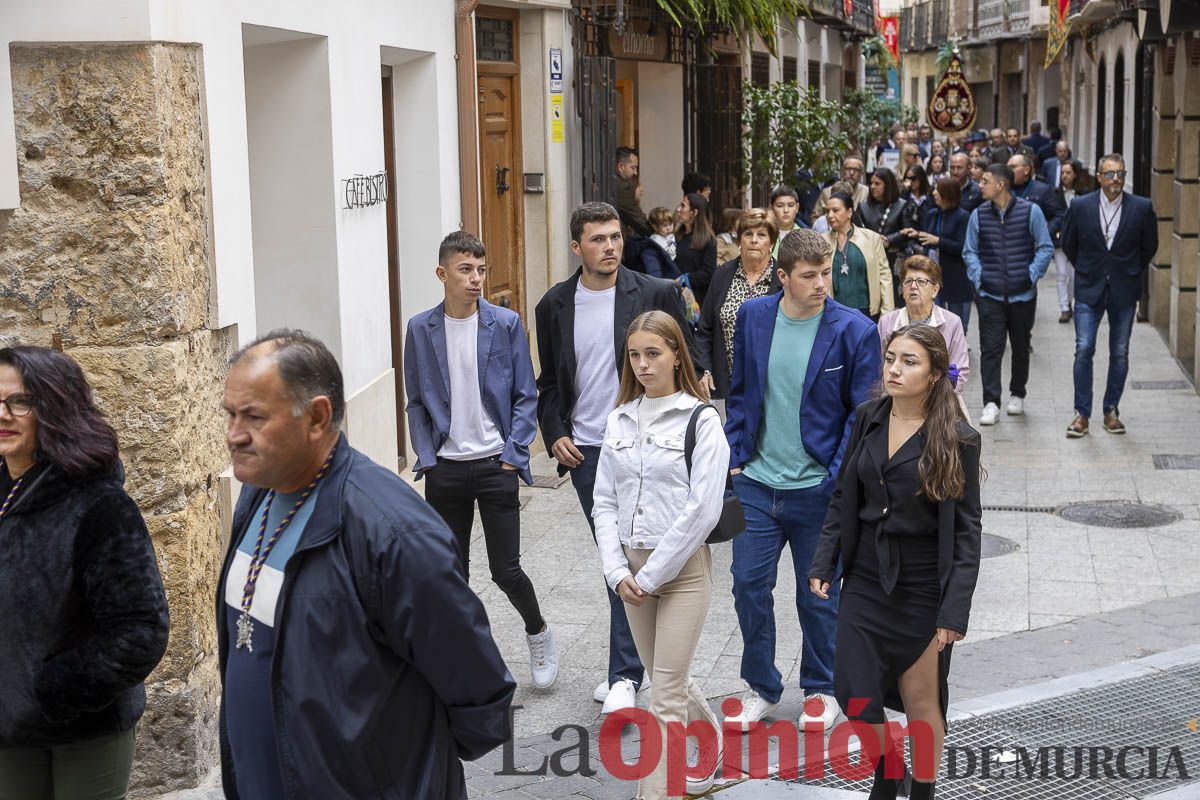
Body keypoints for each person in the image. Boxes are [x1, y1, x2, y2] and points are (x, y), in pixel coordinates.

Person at [219, 330, 515, 798]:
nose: (234, 434)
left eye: (253, 416)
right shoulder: (258, 494)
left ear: (317, 416)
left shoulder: (393, 530)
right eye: (230, 414)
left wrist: (403, 772)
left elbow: (477, 684)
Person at [534, 201, 697, 715]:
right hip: (587, 449)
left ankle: (625, 675)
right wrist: (554, 432)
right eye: (598, 239)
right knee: (618, 557)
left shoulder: (653, 292)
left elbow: (687, 364)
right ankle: (632, 671)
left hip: (645, 443)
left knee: (631, 557)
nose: (610, 247)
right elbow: (550, 385)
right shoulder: (554, 304)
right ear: (577, 246)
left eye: (615, 237)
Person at [809, 324, 982, 800]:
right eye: (890, 358)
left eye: (909, 361)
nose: (894, 369)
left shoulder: (957, 437)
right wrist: (826, 560)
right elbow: (844, 493)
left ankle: (921, 792)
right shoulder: (868, 417)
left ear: (933, 374)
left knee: (921, 701)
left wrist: (954, 611)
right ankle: (889, 772)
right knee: (853, 695)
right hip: (865, 578)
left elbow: (967, 531)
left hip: (923, 587)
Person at [724, 228, 883, 731]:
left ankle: (821, 687)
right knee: (747, 585)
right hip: (756, 482)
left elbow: (863, 417)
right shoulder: (753, 317)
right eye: (809, 276)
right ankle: (762, 686)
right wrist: (734, 456)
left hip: (819, 489)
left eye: (825, 273)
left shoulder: (854, 330)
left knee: (817, 594)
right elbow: (740, 392)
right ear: (782, 277)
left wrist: (835, 482)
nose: (821, 284)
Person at [0, 346, 169, 799]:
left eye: (21, 401)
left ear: (55, 408)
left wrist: (54, 690)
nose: (4, 415)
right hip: (8, 729)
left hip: (83, 730)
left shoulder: (100, 506)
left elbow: (141, 630)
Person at [404, 231, 557, 690]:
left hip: (495, 466)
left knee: (505, 569)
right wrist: (427, 457)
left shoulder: (505, 324)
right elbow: (415, 400)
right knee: (452, 574)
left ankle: (538, 631)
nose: (475, 279)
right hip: (445, 470)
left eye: (481, 269)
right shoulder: (419, 328)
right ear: (442, 273)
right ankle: (466, 661)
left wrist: (514, 455)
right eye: (465, 269)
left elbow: (525, 395)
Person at [593, 310, 729, 799]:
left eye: (654, 353)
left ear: (676, 355)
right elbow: (604, 500)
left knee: (664, 692)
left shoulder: (701, 419)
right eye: (635, 355)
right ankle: (710, 741)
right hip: (631, 572)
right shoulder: (619, 418)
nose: (644, 364)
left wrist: (650, 575)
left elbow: (702, 510)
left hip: (683, 573)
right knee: (663, 676)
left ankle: (655, 794)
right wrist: (615, 570)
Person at [1060, 153, 1159, 438]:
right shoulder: (1080, 206)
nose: (1116, 180)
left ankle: (1111, 410)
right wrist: (1089, 268)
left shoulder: (1141, 208)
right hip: (1089, 287)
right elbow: (1069, 242)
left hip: (1124, 289)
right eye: (1111, 174)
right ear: (1099, 177)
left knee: (1119, 351)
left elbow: (1149, 246)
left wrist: (1129, 270)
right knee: (1084, 348)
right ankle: (1081, 414)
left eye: (1120, 174)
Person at [963, 164, 1054, 426]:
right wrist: (979, 277)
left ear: (1000, 185)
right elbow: (970, 251)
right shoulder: (978, 215)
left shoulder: (1031, 211)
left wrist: (1030, 275)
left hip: (1022, 295)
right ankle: (991, 402)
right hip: (990, 295)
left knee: (1020, 347)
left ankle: (1018, 393)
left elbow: (1045, 247)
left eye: (985, 181)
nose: (980, 185)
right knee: (990, 349)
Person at [696, 208, 782, 400]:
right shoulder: (722, 275)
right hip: (725, 386)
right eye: (748, 233)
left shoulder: (782, 280)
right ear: (739, 240)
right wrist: (705, 371)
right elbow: (704, 330)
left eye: (761, 235)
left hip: (770, 387)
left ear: (772, 242)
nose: (754, 240)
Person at [877, 256, 971, 415]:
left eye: (921, 281)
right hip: (896, 405)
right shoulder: (887, 322)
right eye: (908, 282)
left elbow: (960, 372)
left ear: (935, 290)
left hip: (939, 406)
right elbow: (879, 369)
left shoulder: (951, 322)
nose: (913, 286)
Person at [910, 177, 975, 335]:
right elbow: (929, 238)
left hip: (956, 275)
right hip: (933, 274)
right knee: (935, 320)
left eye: (937, 190)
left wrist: (938, 241)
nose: (934, 193)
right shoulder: (933, 214)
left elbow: (962, 247)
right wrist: (918, 234)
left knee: (957, 321)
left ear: (948, 193)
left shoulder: (963, 216)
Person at [824, 191, 894, 320]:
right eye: (827, 211)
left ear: (849, 212)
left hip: (867, 312)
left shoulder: (871, 238)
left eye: (835, 210)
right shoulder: (821, 241)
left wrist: (887, 314)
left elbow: (885, 276)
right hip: (834, 311)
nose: (830, 215)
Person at [854, 168, 916, 290]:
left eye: (877, 183)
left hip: (894, 260)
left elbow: (908, 231)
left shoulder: (901, 205)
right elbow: (856, 230)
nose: (872, 187)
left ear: (888, 185)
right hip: (868, 258)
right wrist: (876, 240)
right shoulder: (863, 206)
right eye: (871, 183)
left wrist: (889, 240)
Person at [1052, 160, 1090, 323]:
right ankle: (1064, 308)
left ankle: (1069, 301)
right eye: (1062, 173)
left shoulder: (1084, 194)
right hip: (1059, 239)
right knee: (1061, 273)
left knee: (1074, 275)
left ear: (1075, 174)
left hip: (1078, 240)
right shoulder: (1054, 194)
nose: (1065, 176)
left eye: (1068, 172)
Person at [1008, 154, 1065, 251]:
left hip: (1032, 248)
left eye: (1013, 167)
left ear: (1026, 170)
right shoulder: (1003, 190)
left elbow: (1060, 214)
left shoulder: (1043, 190)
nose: (1008, 171)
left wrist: (1044, 235)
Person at [675, 192, 718, 308]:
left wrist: (686, 278)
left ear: (694, 213)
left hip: (698, 301)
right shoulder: (679, 236)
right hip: (677, 296)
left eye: (683, 206)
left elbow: (708, 272)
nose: (678, 209)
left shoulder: (708, 240)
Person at [812, 155, 869, 221]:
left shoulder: (866, 192)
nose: (851, 173)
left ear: (861, 174)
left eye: (856, 170)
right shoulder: (827, 192)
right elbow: (815, 217)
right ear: (842, 171)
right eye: (849, 169)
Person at [615, 146, 652, 239]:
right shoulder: (622, 190)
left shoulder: (618, 183)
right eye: (633, 167)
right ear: (621, 167)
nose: (635, 172)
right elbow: (641, 224)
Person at [770, 184, 806, 259]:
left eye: (790, 205)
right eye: (780, 206)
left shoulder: (804, 237)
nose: (786, 210)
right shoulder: (766, 234)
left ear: (797, 208)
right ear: (772, 208)